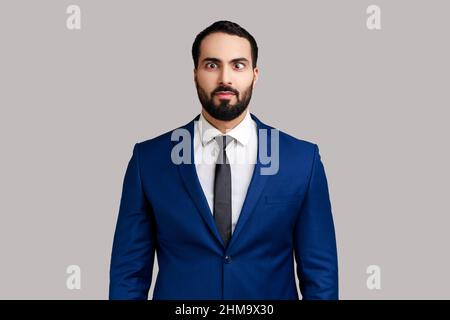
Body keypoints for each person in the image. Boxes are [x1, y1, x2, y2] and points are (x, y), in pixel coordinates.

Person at [109, 20, 338, 300]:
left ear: (255, 75)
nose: (225, 79)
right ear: (195, 73)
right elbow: (128, 274)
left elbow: (321, 277)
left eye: (238, 65)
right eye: (212, 65)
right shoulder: (149, 160)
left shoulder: (301, 160)